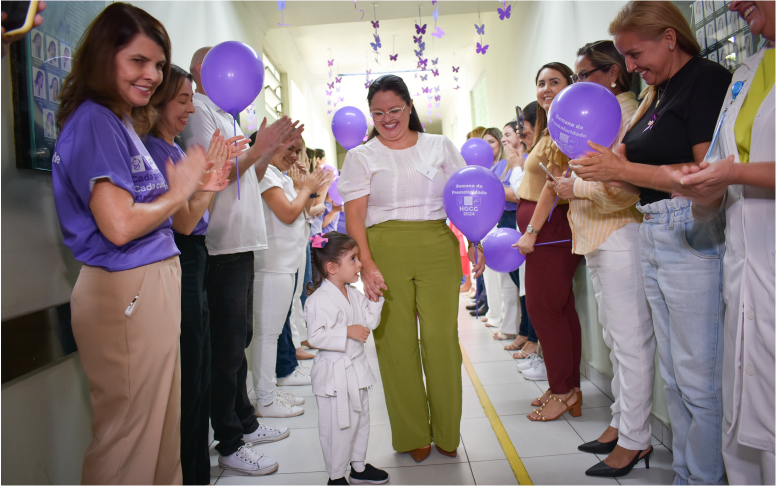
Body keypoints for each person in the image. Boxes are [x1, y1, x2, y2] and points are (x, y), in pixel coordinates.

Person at [50, 4, 219, 484]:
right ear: (105, 58)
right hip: (125, 288)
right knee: (129, 442)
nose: (152, 75)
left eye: (159, 65)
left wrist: (197, 185)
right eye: (138, 61)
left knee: (161, 438)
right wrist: (181, 190)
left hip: (148, 282)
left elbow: (172, 220)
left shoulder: (120, 121)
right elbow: (119, 225)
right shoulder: (94, 120)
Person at [571, 0, 733, 483]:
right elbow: (637, 176)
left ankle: (703, 477)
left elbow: (704, 175)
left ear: (669, 37)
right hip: (655, 227)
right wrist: (607, 173)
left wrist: (621, 170)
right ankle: (685, 471)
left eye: (635, 54)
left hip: (691, 228)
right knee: (673, 377)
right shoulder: (656, 94)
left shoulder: (705, 80)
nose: (631, 67)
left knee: (698, 379)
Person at [339, 74, 485, 462]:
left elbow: (465, 196)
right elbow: (355, 217)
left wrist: (474, 239)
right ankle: (412, 433)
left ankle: (447, 432)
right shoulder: (362, 156)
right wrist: (366, 266)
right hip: (384, 250)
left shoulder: (439, 146)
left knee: (441, 340)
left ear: (409, 108)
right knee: (395, 345)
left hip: (437, 246)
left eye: (395, 110)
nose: (387, 119)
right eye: (378, 113)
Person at [669, 1, 776, 483]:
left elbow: (733, 165)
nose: (732, 2)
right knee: (742, 399)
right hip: (744, 258)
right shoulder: (749, 70)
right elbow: (720, 156)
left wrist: (731, 173)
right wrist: (711, 183)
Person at [181, 46, 301, 476]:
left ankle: (244, 423)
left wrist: (269, 147)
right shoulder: (198, 111)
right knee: (227, 347)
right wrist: (258, 147)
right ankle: (229, 439)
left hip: (241, 242)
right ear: (203, 72)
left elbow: (244, 171)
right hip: (220, 243)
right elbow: (212, 174)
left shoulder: (228, 115)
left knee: (239, 338)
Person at [552, 40, 656, 478]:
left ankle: (635, 440)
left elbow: (624, 189)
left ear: (613, 72)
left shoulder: (628, 115)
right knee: (616, 338)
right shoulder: (596, 114)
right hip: (596, 237)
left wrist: (574, 189)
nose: (576, 86)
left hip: (620, 235)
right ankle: (620, 423)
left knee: (631, 342)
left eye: (583, 75)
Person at [142, 64, 242, 486]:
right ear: (159, 100)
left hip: (194, 257)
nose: (189, 109)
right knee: (190, 372)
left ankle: (197, 470)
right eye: (183, 99)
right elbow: (184, 221)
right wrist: (208, 186)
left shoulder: (175, 149)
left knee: (199, 370)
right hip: (182, 256)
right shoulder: (154, 149)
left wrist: (208, 181)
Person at [515, 62, 584, 417]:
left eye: (554, 82)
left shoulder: (564, 128)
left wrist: (531, 231)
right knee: (561, 308)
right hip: (548, 230)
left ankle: (562, 392)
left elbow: (552, 185)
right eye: (540, 82)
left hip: (551, 231)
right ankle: (568, 388)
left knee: (544, 309)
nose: (545, 89)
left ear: (570, 85)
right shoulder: (547, 129)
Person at [304, 232, 390, 486]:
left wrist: (374, 301)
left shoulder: (353, 293)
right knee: (337, 429)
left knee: (361, 422)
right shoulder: (317, 301)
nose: (360, 264)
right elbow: (315, 337)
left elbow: (370, 323)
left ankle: (359, 467)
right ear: (332, 268)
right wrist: (346, 332)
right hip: (334, 376)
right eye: (353, 259)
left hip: (356, 370)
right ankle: (336, 476)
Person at [252, 134, 327, 418]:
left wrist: (305, 188)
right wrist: (306, 187)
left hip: (284, 264)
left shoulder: (280, 176)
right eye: (290, 149)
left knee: (271, 334)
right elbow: (286, 214)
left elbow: (304, 212)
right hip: (271, 265)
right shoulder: (266, 175)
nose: (295, 156)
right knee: (267, 336)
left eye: (299, 151)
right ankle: (265, 399)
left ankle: (269, 393)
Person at [501, 112, 538, 359]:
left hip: (534, 230)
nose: (505, 139)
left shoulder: (527, 159)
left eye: (512, 132)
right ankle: (528, 335)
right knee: (524, 287)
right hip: (521, 228)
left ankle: (534, 342)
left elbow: (521, 192)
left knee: (534, 291)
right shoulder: (513, 161)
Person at [482, 127, 520, 344]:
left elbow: (515, 194)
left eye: (491, 142)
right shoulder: (494, 166)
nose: (487, 148)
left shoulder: (507, 164)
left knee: (510, 280)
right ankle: (507, 323)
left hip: (510, 221)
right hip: (496, 223)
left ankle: (512, 326)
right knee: (503, 278)